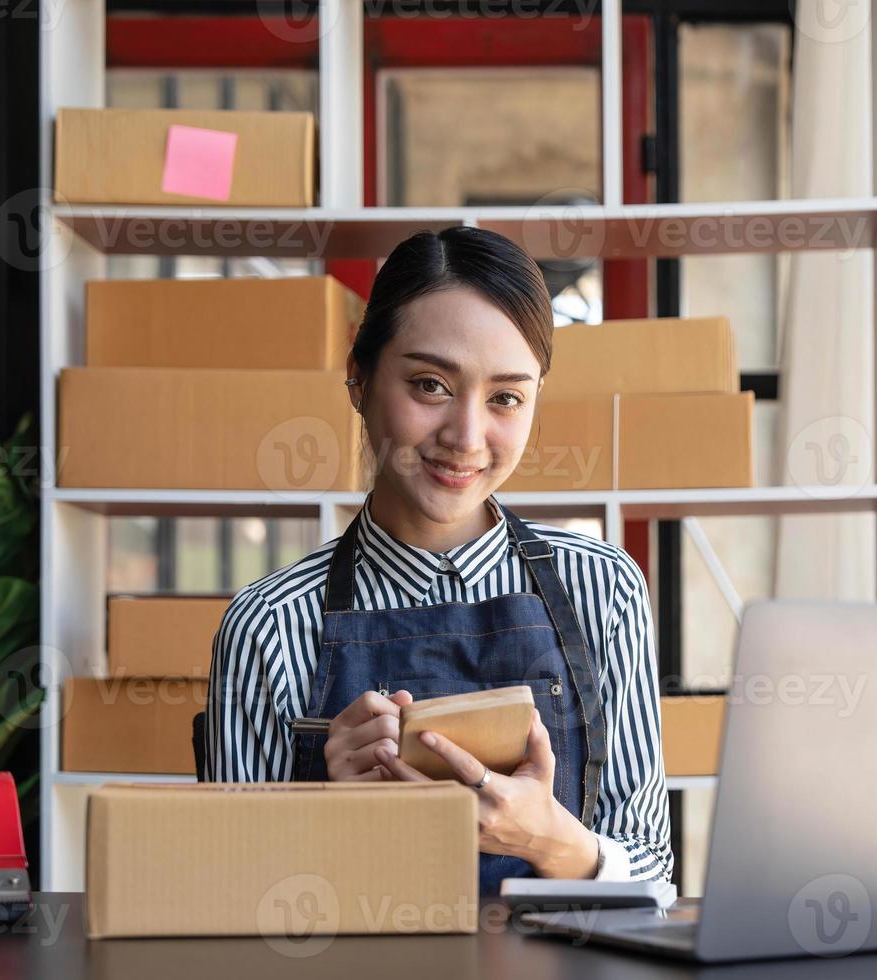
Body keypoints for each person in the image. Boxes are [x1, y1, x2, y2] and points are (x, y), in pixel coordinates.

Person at [205, 227, 672, 893]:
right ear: (359, 380)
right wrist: (319, 818)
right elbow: (220, 897)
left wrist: (550, 840)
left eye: (505, 397)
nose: (466, 436)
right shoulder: (267, 625)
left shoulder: (603, 589)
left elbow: (652, 869)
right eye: (429, 385)